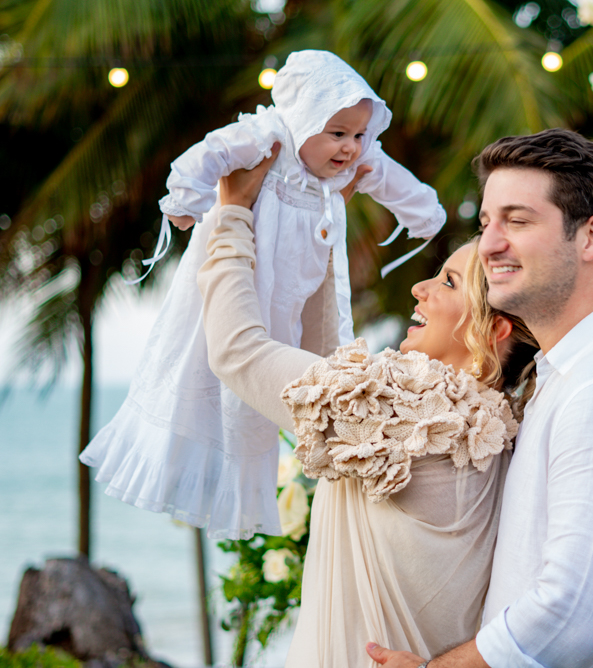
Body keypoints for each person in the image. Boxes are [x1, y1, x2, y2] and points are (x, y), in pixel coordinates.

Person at [367, 129, 593, 668]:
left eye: (518, 221)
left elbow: (577, 614)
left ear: (590, 236)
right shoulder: (571, 372)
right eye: (486, 224)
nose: (490, 244)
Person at [195, 146, 539, 667]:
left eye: (447, 282)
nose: (421, 288)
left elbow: (237, 351)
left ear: (493, 331)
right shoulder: (493, 428)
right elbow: (322, 365)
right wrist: (321, 228)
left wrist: (232, 214)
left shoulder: (401, 412)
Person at [81, 50, 446, 539]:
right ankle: (185, 461)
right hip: (241, 268)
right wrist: (185, 198)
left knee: (268, 387)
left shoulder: (346, 170)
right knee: (205, 357)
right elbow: (210, 153)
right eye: (336, 133)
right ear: (303, 116)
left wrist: (427, 215)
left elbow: (395, 181)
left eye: (359, 135)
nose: (351, 147)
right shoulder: (267, 137)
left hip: (291, 295)